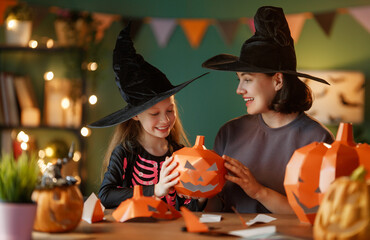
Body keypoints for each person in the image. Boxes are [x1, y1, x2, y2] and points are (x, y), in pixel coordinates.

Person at [201, 6, 334, 214]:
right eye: (238, 80)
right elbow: (214, 208)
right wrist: (197, 195)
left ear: (278, 80)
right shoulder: (229, 132)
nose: (239, 90)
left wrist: (258, 191)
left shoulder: (318, 139)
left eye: (247, 80)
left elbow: (318, 215)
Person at [89, 24, 208, 210]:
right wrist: (156, 189)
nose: (165, 120)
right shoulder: (125, 153)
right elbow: (106, 195)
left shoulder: (179, 154)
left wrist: (202, 192)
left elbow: (188, 208)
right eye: (154, 113)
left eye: (170, 110)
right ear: (136, 115)